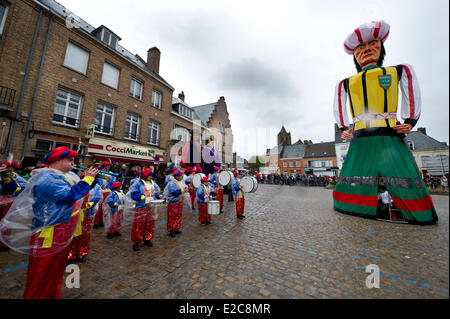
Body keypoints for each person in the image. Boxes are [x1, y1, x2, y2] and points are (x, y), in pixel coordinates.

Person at [332, 20, 438, 224]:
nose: (367, 50)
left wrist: (410, 119)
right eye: (360, 47)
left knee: (400, 172)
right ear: (354, 54)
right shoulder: (344, 83)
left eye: (373, 44)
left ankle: (411, 209)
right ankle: (356, 205)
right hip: (361, 136)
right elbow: (339, 105)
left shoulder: (398, 70)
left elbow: (411, 92)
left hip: (388, 132)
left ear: (381, 47)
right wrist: (345, 128)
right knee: (358, 174)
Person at [20, 146, 97, 299]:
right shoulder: (47, 178)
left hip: (60, 229)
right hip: (48, 231)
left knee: (55, 269)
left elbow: (80, 190)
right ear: (58, 160)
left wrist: (91, 180)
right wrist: (88, 179)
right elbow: (69, 196)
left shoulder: (62, 176)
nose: (73, 163)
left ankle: (52, 294)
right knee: (42, 272)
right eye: (70, 160)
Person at [67, 173, 102, 263]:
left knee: (85, 234)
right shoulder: (78, 185)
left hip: (88, 214)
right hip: (76, 214)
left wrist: (92, 203)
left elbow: (98, 197)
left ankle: (82, 253)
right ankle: (70, 254)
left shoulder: (96, 186)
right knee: (73, 235)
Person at [130, 168, 163, 251]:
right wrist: (139, 196)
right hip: (141, 207)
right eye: (150, 175)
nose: (151, 176)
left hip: (151, 206)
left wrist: (159, 195)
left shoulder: (153, 183)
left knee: (150, 224)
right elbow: (132, 194)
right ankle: (136, 242)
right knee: (139, 224)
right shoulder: (138, 183)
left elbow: (157, 191)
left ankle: (147, 239)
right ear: (146, 175)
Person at [166, 170, 187, 237]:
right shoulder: (172, 183)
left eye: (181, 176)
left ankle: (176, 228)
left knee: (178, 215)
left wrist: (186, 188)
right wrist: (183, 190)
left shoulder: (181, 182)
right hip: (173, 202)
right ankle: (171, 230)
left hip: (179, 201)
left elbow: (184, 187)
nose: (181, 177)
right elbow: (173, 192)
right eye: (180, 176)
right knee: (172, 216)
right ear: (176, 176)